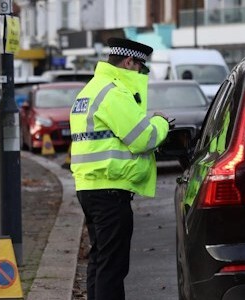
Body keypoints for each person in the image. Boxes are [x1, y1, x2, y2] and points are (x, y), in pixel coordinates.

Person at [69, 37, 171, 300]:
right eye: (141, 67)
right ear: (129, 62)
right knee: (112, 267)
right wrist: (161, 123)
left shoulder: (90, 90)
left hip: (90, 188)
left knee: (100, 261)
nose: (141, 73)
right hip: (110, 191)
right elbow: (143, 138)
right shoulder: (114, 93)